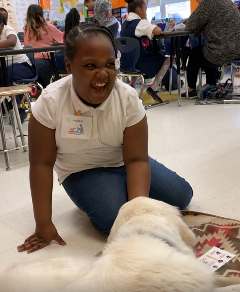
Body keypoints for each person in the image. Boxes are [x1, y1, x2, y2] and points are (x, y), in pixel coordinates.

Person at [16, 23, 193, 254]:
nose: (103, 74)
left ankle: (117, 188)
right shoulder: (50, 103)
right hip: (80, 171)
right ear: (69, 66)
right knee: (115, 220)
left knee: (181, 196)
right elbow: (41, 165)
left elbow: (137, 160)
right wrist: (43, 223)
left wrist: (137, 211)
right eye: (90, 65)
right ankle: (102, 193)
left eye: (110, 64)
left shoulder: (127, 98)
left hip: (124, 161)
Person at [181, 0, 240, 97]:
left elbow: (190, 24)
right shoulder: (227, 1)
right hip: (238, 48)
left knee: (196, 54)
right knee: (208, 50)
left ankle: (191, 90)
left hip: (225, 50)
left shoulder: (207, 2)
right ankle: (211, 85)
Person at [120, 0, 170, 102]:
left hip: (124, 63)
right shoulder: (140, 23)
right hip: (139, 63)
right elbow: (157, 31)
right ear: (139, 10)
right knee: (167, 59)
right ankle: (153, 87)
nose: (146, 12)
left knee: (135, 56)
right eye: (145, 10)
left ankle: (132, 85)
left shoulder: (124, 24)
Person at [0, 12, 35, 123]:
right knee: (3, 74)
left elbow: (12, 41)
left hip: (24, 67)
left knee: (5, 75)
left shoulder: (7, 29)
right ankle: (6, 108)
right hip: (6, 69)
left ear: (1, 24)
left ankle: (18, 107)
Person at [24, 4, 63, 88]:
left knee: (43, 89)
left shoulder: (27, 29)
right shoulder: (48, 27)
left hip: (32, 63)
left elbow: (27, 45)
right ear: (41, 14)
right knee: (52, 88)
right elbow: (63, 40)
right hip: (45, 61)